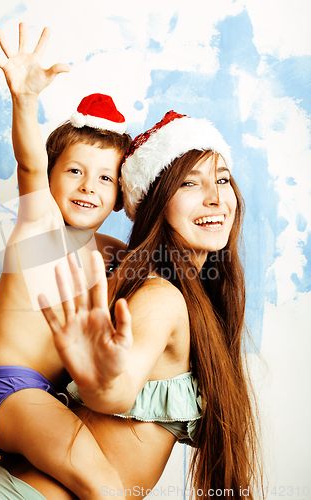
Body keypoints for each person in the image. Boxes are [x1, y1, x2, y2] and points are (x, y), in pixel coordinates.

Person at [40, 110, 262, 499]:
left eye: (222, 179)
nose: (215, 197)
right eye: (191, 183)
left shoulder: (197, 296)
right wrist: (102, 382)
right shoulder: (161, 297)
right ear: (156, 204)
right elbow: (118, 391)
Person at [0, 23, 133, 499]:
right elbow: (28, 161)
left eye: (105, 179)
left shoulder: (110, 252)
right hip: (13, 393)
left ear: (121, 196)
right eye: (76, 171)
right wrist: (25, 99)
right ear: (51, 178)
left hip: (61, 395)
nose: (89, 186)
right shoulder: (40, 225)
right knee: (104, 486)